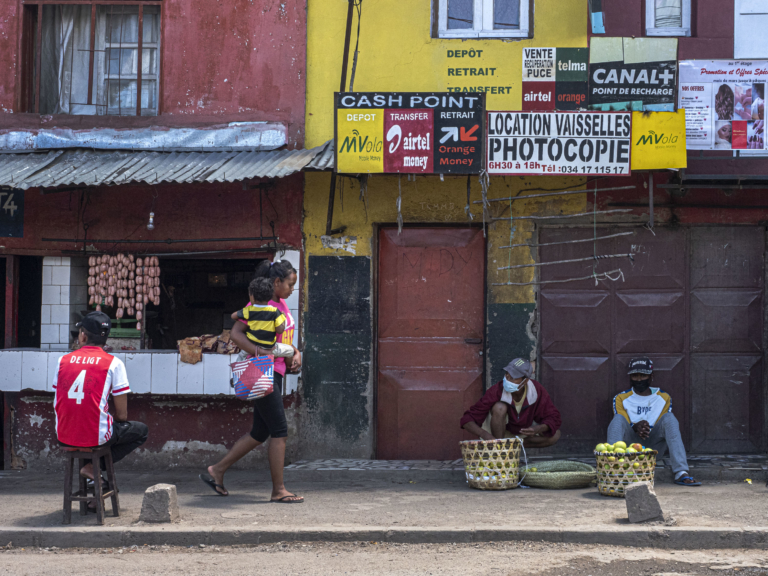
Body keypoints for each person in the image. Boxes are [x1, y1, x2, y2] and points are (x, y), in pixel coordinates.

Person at [201, 260, 303, 503]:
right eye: (290, 284)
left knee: (260, 431)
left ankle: (217, 470)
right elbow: (236, 333)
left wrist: (295, 352)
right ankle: (279, 490)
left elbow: (282, 338)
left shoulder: (281, 305)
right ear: (276, 282)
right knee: (279, 431)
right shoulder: (258, 305)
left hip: (275, 371)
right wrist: (260, 352)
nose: (292, 290)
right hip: (263, 372)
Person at [53, 312, 149, 498]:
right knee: (140, 431)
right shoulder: (113, 363)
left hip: (64, 434)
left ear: (83, 336)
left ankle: (94, 483)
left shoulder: (62, 361)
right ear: (106, 338)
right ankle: (93, 467)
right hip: (95, 436)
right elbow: (122, 415)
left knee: (86, 432)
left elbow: (61, 398)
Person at [607, 357, 701, 487]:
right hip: (629, 448)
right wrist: (635, 426)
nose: (639, 379)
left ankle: (681, 472)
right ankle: (612, 470)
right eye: (635, 376)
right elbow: (623, 421)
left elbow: (662, 424)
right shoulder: (621, 398)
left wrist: (645, 428)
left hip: (654, 447)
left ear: (651, 376)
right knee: (617, 419)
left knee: (669, 418)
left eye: (643, 375)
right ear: (630, 377)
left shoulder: (663, 397)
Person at [460, 358, 562, 448]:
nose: (507, 379)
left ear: (525, 381)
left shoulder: (536, 390)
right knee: (500, 407)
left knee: (555, 435)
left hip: (519, 435)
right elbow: (467, 419)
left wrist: (538, 428)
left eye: (513, 377)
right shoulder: (497, 390)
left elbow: (554, 417)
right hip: (497, 434)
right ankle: (499, 449)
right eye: (507, 374)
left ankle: (509, 448)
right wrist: (485, 435)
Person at [230, 277, 293, 360]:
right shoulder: (275, 311)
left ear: (252, 296)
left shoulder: (249, 310)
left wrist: (242, 317)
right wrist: (283, 318)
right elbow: (280, 330)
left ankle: (239, 366)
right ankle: (272, 356)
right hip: (270, 347)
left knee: (241, 357)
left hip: (251, 347)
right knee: (290, 351)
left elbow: (233, 316)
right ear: (270, 296)